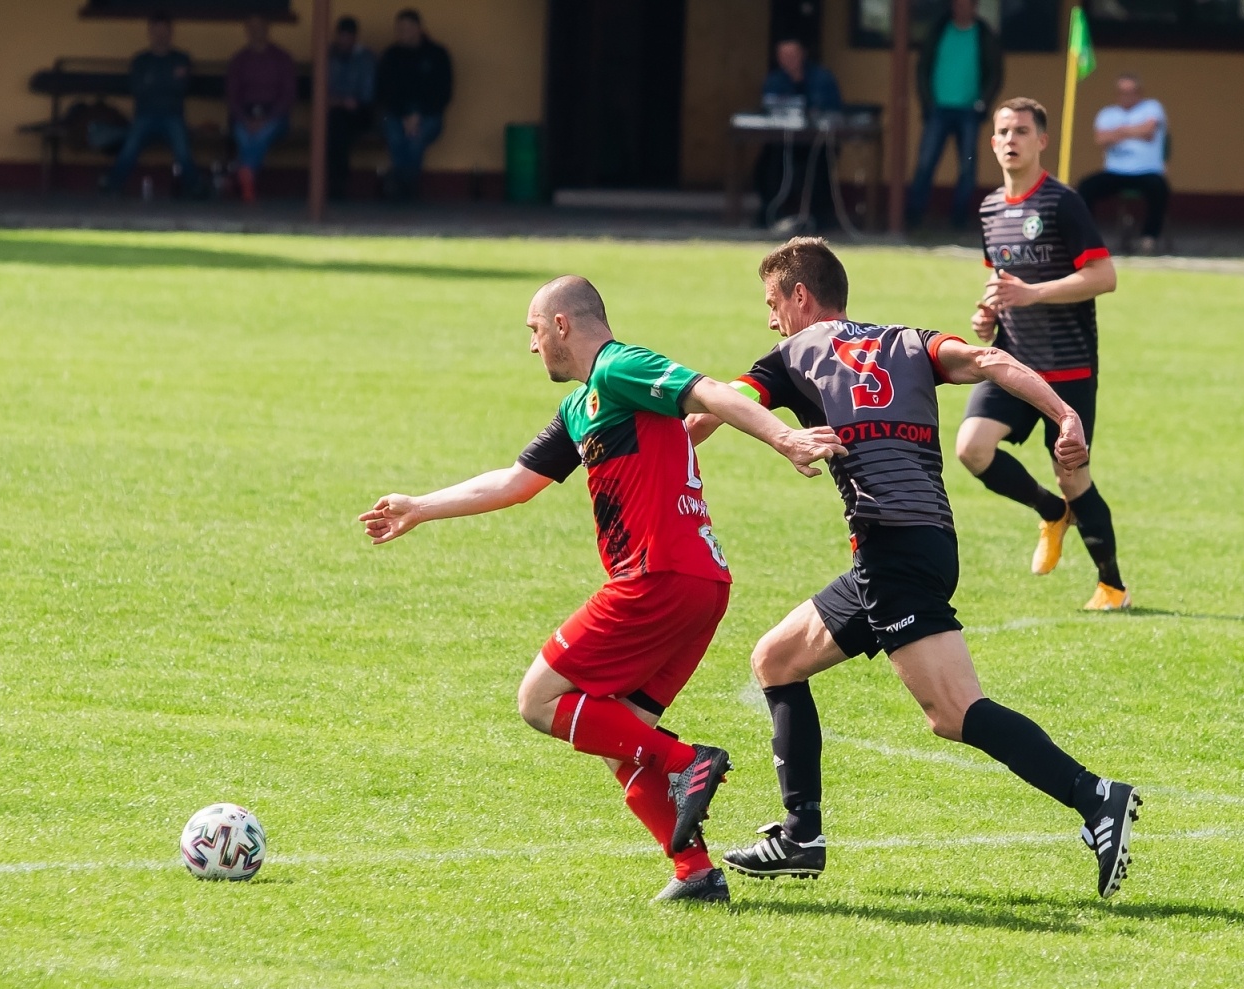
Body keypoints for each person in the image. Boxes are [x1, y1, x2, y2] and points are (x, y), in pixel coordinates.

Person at [358, 276, 845, 903]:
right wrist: (420, 506)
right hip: (697, 583)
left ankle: (685, 761)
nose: (532, 347)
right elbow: (517, 480)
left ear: (562, 324)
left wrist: (783, 437)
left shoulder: (620, 366)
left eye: (534, 331)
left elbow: (707, 393)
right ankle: (695, 874)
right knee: (621, 738)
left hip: (657, 576)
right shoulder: (583, 403)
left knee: (538, 700)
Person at [686, 238, 1141, 900]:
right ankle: (801, 835)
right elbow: (990, 360)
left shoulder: (791, 356)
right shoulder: (909, 341)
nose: (771, 319)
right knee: (776, 659)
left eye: (773, 303)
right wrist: (1064, 414)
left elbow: (719, 408)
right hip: (922, 543)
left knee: (954, 712)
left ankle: (1096, 795)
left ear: (800, 296)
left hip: (891, 551)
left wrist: (660, 436)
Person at [960, 97, 1128, 612]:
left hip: (1069, 365)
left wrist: (1034, 293)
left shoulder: (1062, 203)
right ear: (992, 143)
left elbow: (1105, 276)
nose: (1011, 140)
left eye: (1022, 131)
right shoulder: (990, 208)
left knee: (1073, 473)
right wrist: (988, 315)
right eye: (1003, 132)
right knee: (972, 448)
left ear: (1041, 141)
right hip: (1012, 361)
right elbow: (998, 277)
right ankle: (1051, 512)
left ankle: (1112, 587)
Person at [907, 0, 1003, 231]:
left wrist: (983, 102)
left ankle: (959, 218)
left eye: (966, 4)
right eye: (957, 4)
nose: (961, 8)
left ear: (974, 7)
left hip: (969, 110)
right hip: (938, 109)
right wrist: (927, 102)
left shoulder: (983, 34)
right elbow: (923, 67)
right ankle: (913, 215)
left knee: (967, 166)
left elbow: (995, 72)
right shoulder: (939, 30)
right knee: (926, 162)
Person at [101, 13, 198, 196]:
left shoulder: (181, 58)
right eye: (156, 32)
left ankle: (193, 188)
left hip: (173, 116)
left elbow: (182, 88)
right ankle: (113, 187)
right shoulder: (140, 60)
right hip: (145, 116)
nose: (160, 36)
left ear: (171, 33)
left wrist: (153, 81)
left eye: (164, 32)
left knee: (182, 147)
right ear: (150, 34)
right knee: (130, 145)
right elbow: (138, 89)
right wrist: (169, 79)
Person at [754, 39, 843, 231]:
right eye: (783, 56)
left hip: (816, 142)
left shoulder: (823, 78)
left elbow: (834, 109)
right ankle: (769, 216)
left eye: (792, 55)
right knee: (766, 166)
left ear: (802, 54)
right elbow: (768, 108)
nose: (788, 60)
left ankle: (821, 220)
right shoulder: (774, 80)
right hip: (784, 143)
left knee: (818, 169)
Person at [1077, 74, 1169, 253]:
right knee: (1086, 187)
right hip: (1115, 172)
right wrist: (1135, 131)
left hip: (1147, 171)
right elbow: (1101, 139)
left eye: (1131, 92)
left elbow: (1149, 130)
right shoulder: (1107, 113)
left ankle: (1149, 237)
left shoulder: (1152, 107)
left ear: (1139, 93)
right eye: (1122, 92)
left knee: (1159, 188)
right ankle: (1086, 237)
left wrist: (1119, 132)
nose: (1126, 96)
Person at [375, 9, 453, 202]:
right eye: (399, 29)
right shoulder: (391, 56)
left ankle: (401, 187)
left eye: (408, 28)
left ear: (419, 29)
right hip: (395, 114)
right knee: (395, 135)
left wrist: (418, 115)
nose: (403, 33)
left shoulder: (437, 55)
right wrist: (404, 115)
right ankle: (406, 188)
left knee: (415, 138)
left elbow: (443, 93)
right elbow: (384, 92)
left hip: (429, 114)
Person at [225, 15, 296, 204]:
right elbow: (232, 97)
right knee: (243, 134)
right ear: (246, 31)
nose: (256, 32)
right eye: (252, 28)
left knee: (262, 133)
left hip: (274, 116)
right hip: (245, 115)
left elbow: (288, 96)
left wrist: (267, 119)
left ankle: (243, 175)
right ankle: (247, 178)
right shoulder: (239, 60)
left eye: (260, 27)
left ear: (268, 28)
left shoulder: (282, 58)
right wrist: (245, 119)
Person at [325, 15, 376, 201]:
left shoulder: (365, 58)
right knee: (335, 124)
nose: (343, 40)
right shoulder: (328, 55)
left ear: (355, 37)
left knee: (337, 126)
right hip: (335, 113)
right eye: (341, 35)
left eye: (348, 36)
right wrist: (339, 101)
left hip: (360, 113)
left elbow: (365, 97)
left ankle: (336, 182)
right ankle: (337, 181)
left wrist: (340, 101)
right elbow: (322, 90)